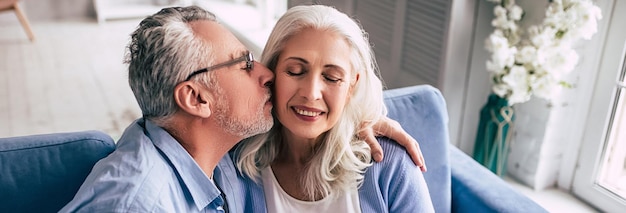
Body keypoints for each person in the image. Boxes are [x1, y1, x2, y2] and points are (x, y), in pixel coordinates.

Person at [61, 5, 424, 213]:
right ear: (197, 99)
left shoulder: (196, 153)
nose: (263, 73)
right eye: (245, 64)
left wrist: (361, 112)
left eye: (333, 78)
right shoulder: (217, 173)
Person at [235, 5, 434, 212]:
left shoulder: (390, 165)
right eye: (295, 72)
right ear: (272, 72)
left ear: (352, 86)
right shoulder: (239, 166)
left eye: (332, 78)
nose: (311, 93)